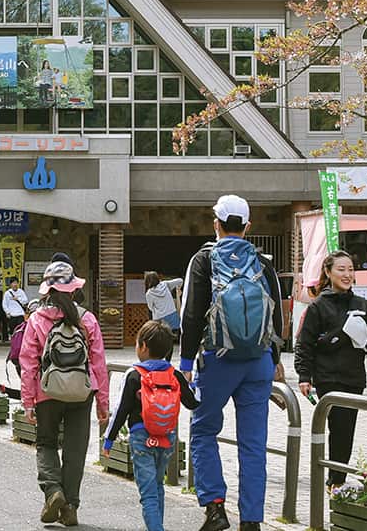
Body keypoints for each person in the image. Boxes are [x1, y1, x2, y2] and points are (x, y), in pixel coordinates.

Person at [179, 195, 283, 531]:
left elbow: (192, 314)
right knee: (253, 443)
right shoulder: (263, 262)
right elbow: (277, 316)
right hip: (258, 361)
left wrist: (185, 362)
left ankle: (215, 508)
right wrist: (275, 359)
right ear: (247, 226)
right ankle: (251, 521)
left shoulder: (204, 259)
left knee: (203, 430)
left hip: (218, 359)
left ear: (216, 224)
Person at [294, 250, 367, 487]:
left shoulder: (362, 305)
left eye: (350, 269)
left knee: (346, 429)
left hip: (354, 377)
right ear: (328, 273)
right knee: (338, 428)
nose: (347, 274)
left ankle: (336, 477)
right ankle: (335, 479)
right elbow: (305, 344)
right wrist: (304, 376)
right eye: (341, 269)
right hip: (328, 377)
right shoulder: (319, 306)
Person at [20, 260, 109, 528]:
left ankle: (53, 491)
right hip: (82, 393)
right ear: (73, 290)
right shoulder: (88, 319)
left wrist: (28, 401)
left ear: (47, 291)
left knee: (46, 443)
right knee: (75, 449)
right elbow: (98, 364)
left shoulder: (36, 319)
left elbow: (28, 362)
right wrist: (102, 403)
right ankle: (70, 507)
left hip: (47, 391)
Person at [102, 320, 200, 531]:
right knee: (157, 485)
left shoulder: (134, 374)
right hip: (167, 437)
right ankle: (157, 525)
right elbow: (193, 402)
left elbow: (121, 410)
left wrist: (108, 439)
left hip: (141, 437)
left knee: (147, 493)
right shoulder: (174, 374)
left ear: (143, 346)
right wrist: (196, 382)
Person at [143, 271, 182, 343]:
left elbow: (150, 308)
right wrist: (178, 289)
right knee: (170, 337)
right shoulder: (165, 284)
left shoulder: (149, 293)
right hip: (172, 315)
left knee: (161, 338)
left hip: (159, 318)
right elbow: (180, 280)